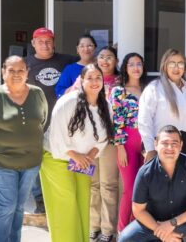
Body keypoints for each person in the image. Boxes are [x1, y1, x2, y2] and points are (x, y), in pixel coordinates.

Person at [0, 55, 48, 242]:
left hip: (30, 163)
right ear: (3, 72)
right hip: (2, 162)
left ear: (27, 72)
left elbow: (43, 120)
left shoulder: (37, 93)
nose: (16, 74)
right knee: (6, 207)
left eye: (20, 70)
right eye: (11, 70)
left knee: (18, 207)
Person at [40, 64, 112, 242]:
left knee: (81, 204)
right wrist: (77, 156)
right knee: (65, 208)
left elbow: (104, 137)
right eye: (90, 78)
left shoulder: (105, 105)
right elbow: (56, 135)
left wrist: (90, 154)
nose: (95, 82)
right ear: (81, 80)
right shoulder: (67, 101)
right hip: (56, 159)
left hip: (84, 161)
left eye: (98, 78)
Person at [118, 125, 186, 242]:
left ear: (181, 145)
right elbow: (138, 210)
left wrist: (172, 223)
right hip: (154, 224)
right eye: (165, 143)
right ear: (156, 144)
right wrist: (162, 231)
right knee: (125, 239)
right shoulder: (145, 172)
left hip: (183, 222)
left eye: (174, 143)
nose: (170, 147)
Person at [25, 27, 77, 213]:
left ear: (54, 42)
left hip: (64, 122)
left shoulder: (67, 61)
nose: (45, 44)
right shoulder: (25, 64)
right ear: (33, 44)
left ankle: (64, 198)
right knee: (35, 163)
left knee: (64, 159)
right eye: (40, 41)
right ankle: (40, 201)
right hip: (35, 123)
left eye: (48, 41)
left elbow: (86, 64)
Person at [85, 47, 121, 242]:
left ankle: (108, 230)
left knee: (108, 185)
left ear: (116, 61)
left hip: (109, 141)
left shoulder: (120, 83)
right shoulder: (85, 79)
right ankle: (93, 227)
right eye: (102, 57)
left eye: (109, 57)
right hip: (88, 141)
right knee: (93, 185)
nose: (105, 60)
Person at [139, 49, 186, 160]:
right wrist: (150, 149)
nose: (176, 68)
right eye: (172, 63)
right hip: (163, 144)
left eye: (180, 64)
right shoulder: (154, 88)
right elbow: (144, 120)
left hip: (185, 145)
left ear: (185, 67)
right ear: (165, 66)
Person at [110, 52, 146, 231]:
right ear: (125, 67)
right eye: (131, 64)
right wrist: (120, 147)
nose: (136, 68)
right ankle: (123, 231)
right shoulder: (119, 91)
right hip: (128, 144)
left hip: (147, 144)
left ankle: (137, 230)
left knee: (143, 191)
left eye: (139, 64)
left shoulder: (148, 89)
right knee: (130, 189)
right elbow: (116, 121)